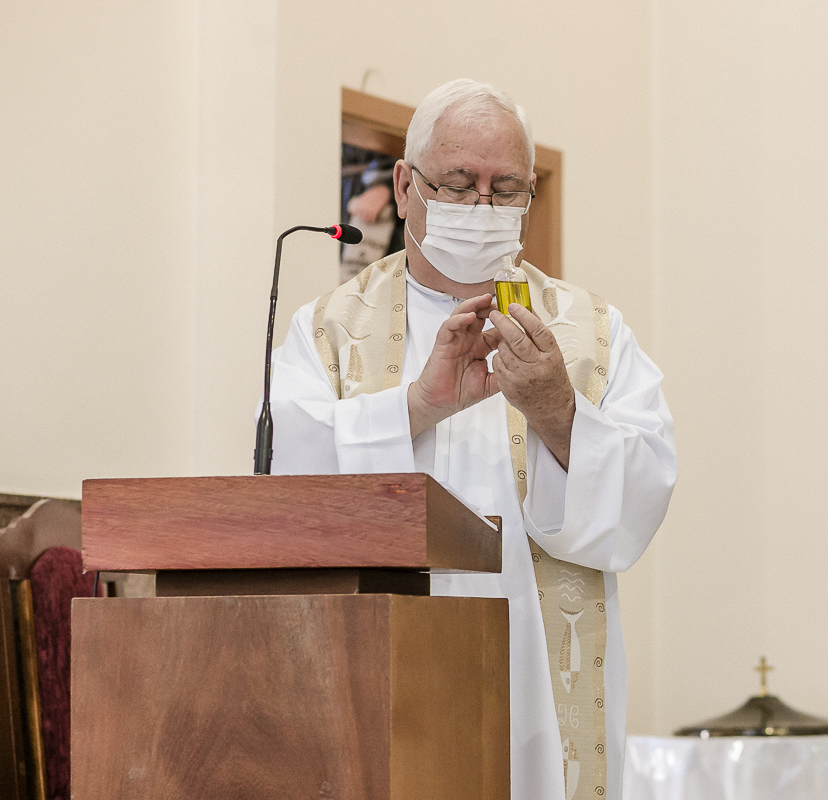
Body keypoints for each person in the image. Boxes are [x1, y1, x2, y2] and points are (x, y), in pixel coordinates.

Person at [267, 78, 676, 800]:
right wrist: (418, 407)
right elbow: (290, 502)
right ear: (404, 183)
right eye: (458, 184)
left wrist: (557, 410)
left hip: (539, 687)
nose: (482, 209)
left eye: (506, 188)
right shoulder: (327, 329)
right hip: (379, 670)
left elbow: (641, 504)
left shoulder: (593, 333)